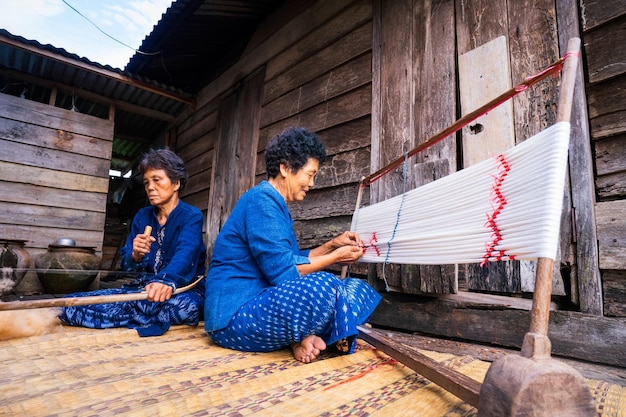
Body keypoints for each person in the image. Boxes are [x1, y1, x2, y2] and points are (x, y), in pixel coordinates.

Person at [204, 127, 381, 363]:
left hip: (259, 303)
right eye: (309, 174)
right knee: (327, 288)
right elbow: (284, 272)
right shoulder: (261, 200)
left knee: (354, 288)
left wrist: (332, 245)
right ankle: (313, 335)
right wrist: (336, 257)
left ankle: (302, 337)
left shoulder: (275, 205)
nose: (312, 183)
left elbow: (292, 259)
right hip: (233, 317)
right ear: (286, 168)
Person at [60, 149, 207, 336]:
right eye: (146, 182)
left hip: (181, 292)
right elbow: (127, 266)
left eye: (156, 180)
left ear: (176, 183)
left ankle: (129, 313)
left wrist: (165, 281)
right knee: (70, 305)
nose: (150, 187)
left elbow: (186, 255)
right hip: (143, 292)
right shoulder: (142, 216)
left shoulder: (191, 216)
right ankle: (142, 314)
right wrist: (135, 255)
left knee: (183, 308)